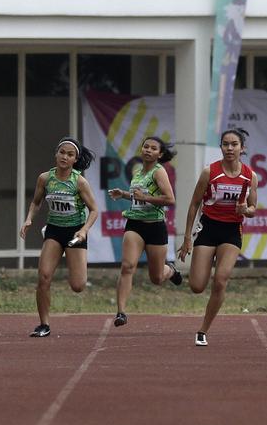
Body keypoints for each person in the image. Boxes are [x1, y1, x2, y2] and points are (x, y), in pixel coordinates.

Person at [177, 128, 258, 346]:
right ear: (221, 147)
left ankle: (203, 330)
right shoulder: (209, 172)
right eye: (225, 144)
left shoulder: (250, 176)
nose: (229, 148)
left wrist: (245, 210)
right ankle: (171, 272)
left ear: (242, 148)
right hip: (209, 228)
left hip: (232, 231)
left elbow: (253, 208)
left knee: (221, 280)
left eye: (234, 144)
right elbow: (195, 203)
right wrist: (187, 238)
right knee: (196, 286)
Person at [19, 137, 98, 337]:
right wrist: (29, 219)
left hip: (75, 232)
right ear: (56, 154)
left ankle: (74, 264)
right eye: (62, 152)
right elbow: (36, 202)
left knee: (78, 285)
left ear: (75, 159)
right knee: (43, 277)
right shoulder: (45, 178)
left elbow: (95, 210)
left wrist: (84, 230)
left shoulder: (79, 182)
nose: (65, 157)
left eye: (70, 154)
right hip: (54, 231)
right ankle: (43, 324)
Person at [107, 136, 183, 327]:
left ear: (160, 154)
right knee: (127, 266)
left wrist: (147, 198)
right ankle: (121, 312)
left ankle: (171, 270)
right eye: (145, 147)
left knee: (156, 278)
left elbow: (170, 199)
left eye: (153, 148)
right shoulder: (138, 173)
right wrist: (124, 194)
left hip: (155, 226)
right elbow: (137, 197)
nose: (148, 150)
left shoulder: (159, 172)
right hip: (135, 224)